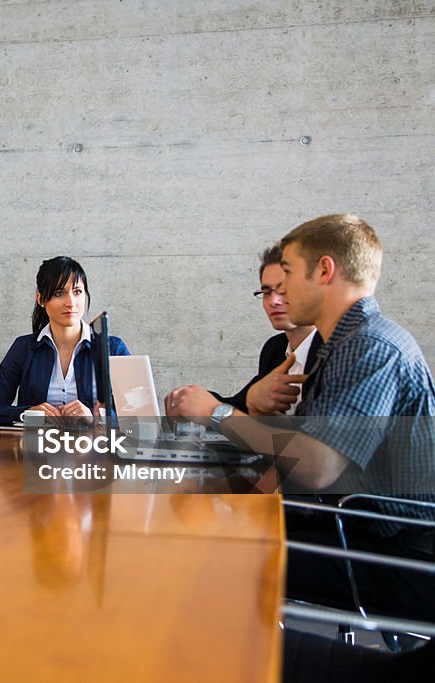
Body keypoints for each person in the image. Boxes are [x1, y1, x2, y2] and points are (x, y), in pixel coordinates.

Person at [166, 214, 435, 620]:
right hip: (352, 526)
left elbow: (319, 467)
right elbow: (298, 458)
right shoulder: (341, 345)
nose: (280, 292)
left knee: (207, 546)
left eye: (288, 273)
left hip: (395, 555)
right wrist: (216, 483)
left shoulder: (371, 348)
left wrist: (219, 414)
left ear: (324, 271)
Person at [0, 256, 129, 426]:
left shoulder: (113, 349)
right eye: (59, 293)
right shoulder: (23, 348)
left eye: (77, 292)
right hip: (35, 449)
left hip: (93, 450)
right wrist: (27, 413)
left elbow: (136, 417)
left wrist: (95, 417)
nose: (70, 303)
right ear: (41, 299)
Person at [210, 243, 322, 415]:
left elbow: (315, 439)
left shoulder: (336, 352)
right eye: (267, 292)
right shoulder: (275, 348)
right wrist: (191, 398)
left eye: (284, 289)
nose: (273, 301)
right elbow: (242, 405)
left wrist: (213, 410)